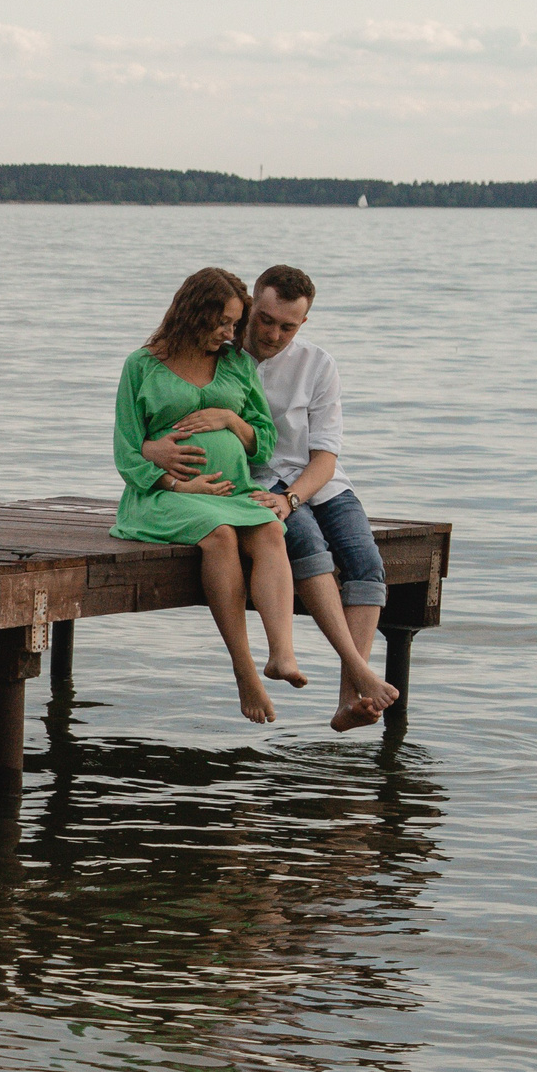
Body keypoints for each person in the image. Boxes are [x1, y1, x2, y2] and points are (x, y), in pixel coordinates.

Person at [145, 265, 396, 730]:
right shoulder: (219, 354)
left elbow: (324, 457)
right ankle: (360, 672)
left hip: (317, 482)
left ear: (303, 324)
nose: (273, 333)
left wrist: (294, 499)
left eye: (288, 326)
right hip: (256, 481)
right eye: (264, 319)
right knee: (308, 547)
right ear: (252, 306)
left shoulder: (317, 365)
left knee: (366, 562)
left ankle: (349, 697)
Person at [109, 267, 299, 725]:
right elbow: (125, 450)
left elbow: (266, 441)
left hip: (233, 491)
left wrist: (230, 421)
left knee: (271, 527)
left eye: (235, 323)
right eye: (222, 322)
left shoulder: (236, 364)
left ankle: (282, 653)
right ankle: (244, 669)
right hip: (161, 496)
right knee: (220, 537)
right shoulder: (142, 365)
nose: (230, 333)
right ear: (193, 313)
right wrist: (175, 480)